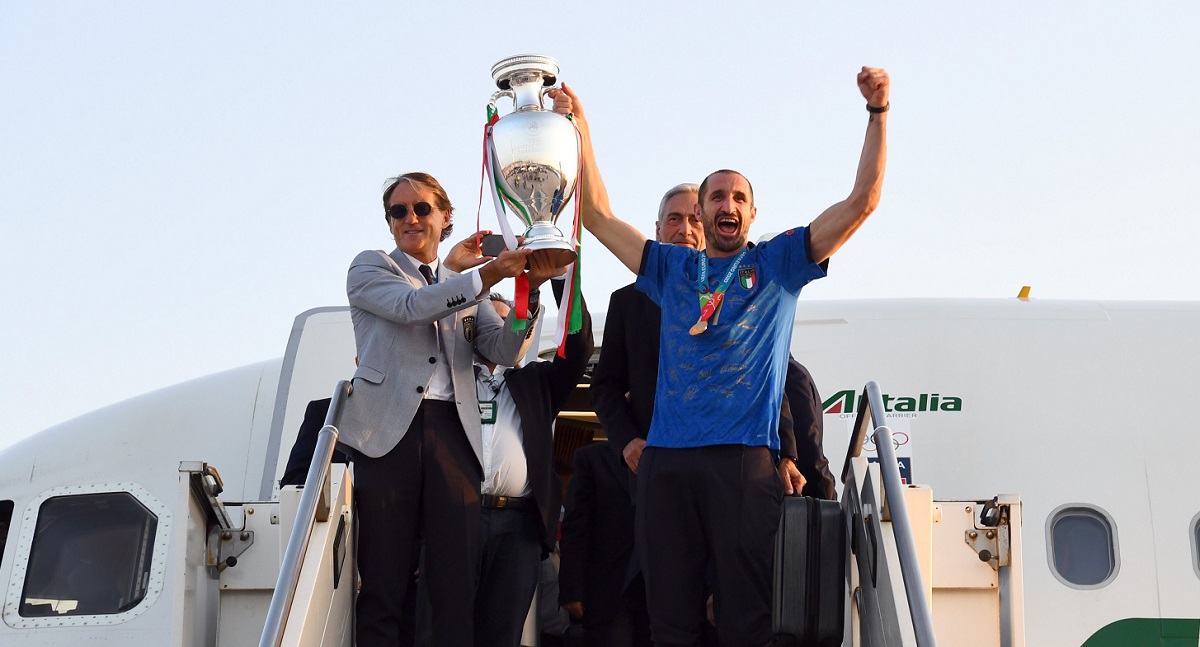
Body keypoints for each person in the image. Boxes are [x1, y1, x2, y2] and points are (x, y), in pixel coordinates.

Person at [555, 66, 889, 645]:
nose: (726, 203)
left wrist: (877, 112)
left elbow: (863, 202)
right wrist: (580, 128)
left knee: (745, 621)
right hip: (666, 464)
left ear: (752, 214)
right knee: (670, 623)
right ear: (702, 212)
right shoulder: (672, 268)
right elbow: (598, 215)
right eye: (716, 196)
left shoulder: (779, 263)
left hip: (742, 462)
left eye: (739, 197)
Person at [339, 171, 542, 647]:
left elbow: (502, 349)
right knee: (384, 580)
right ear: (389, 222)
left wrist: (526, 294)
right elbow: (413, 306)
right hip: (388, 435)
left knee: (454, 585)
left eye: (421, 208)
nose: (410, 218)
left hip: (454, 434)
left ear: (445, 218)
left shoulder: (464, 285)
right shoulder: (371, 267)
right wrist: (484, 275)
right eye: (398, 211)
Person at [591, 184, 835, 499]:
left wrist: (787, 454)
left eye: (693, 220)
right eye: (674, 219)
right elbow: (606, 385)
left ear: (706, 224)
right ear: (658, 230)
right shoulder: (629, 301)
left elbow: (772, 381)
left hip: (733, 468)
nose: (684, 229)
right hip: (657, 470)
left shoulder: (748, 291)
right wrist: (627, 440)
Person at [461, 275, 595, 646]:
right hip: (457, 520)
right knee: (445, 631)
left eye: (507, 322)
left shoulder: (538, 382)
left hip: (518, 526)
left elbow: (580, 347)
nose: (499, 331)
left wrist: (561, 277)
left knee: (503, 635)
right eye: (487, 322)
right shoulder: (449, 382)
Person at [558, 439, 651, 647]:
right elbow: (576, 526)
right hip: (609, 591)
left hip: (665, 594)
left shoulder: (678, 455)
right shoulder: (593, 458)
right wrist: (572, 589)